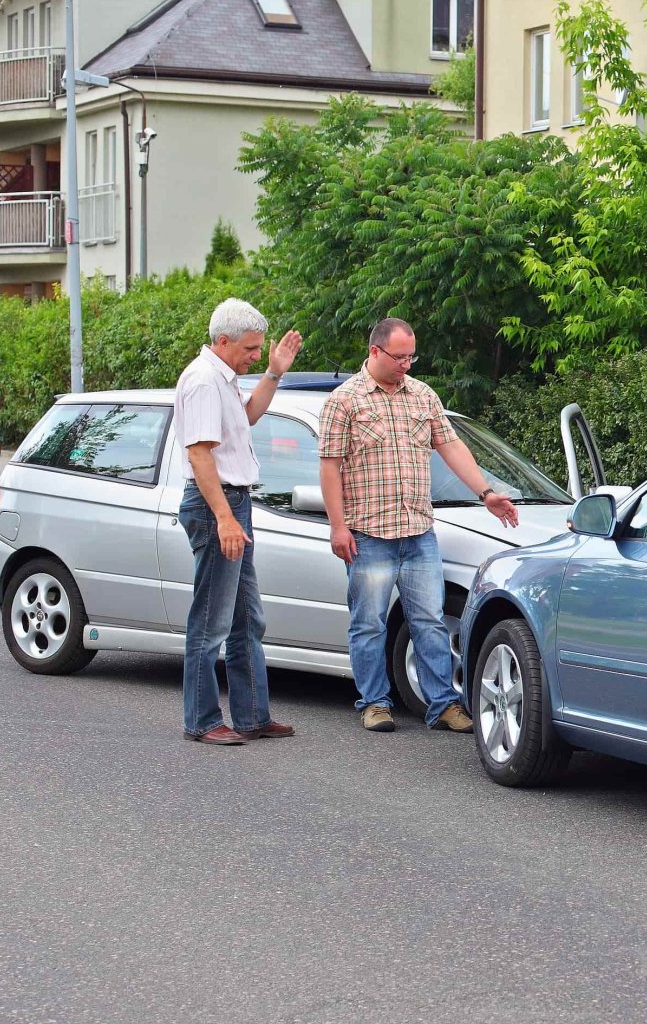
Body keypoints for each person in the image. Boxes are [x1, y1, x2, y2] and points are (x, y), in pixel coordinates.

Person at [318, 317, 519, 733]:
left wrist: (486, 493)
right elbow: (330, 467)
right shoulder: (345, 400)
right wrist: (338, 526)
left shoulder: (423, 396)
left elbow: (452, 446)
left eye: (412, 356)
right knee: (369, 622)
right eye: (399, 356)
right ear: (375, 351)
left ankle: (443, 704)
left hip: (418, 532)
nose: (407, 364)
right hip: (368, 534)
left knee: (429, 620)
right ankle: (374, 703)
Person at [174, 298, 303, 745]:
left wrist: (274, 373)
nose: (255, 355)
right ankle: (203, 720)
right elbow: (199, 453)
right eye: (251, 349)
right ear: (223, 341)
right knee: (210, 620)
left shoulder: (223, 379)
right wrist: (225, 519)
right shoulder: (205, 381)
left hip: (231, 505)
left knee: (246, 618)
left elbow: (246, 417)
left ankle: (251, 715)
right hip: (218, 506)